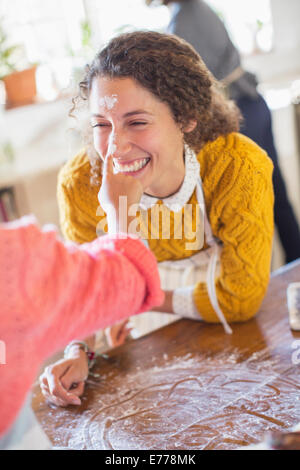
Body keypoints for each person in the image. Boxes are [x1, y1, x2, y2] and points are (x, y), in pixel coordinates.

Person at [41, 30, 274, 407]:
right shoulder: (79, 185)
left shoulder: (237, 167)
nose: (115, 147)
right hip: (140, 355)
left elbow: (241, 299)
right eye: (102, 124)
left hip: (234, 345)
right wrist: (77, 352)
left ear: (187, 118)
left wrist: (133, 296)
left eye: (136, 122)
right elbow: (84, 296)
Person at [0, 163, 164, 449]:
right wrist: (122, 209)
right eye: (101, 124)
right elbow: (119, 281)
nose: (118, 145)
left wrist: (80, 350)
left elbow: (78, 300)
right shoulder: (11, 263)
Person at [146, 0, 300, 264]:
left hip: (239, 112)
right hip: (250, 104)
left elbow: (184, 83)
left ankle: (269, 279)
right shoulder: (192, 9)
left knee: (250, 204)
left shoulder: (185, 16)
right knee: (273, 195)